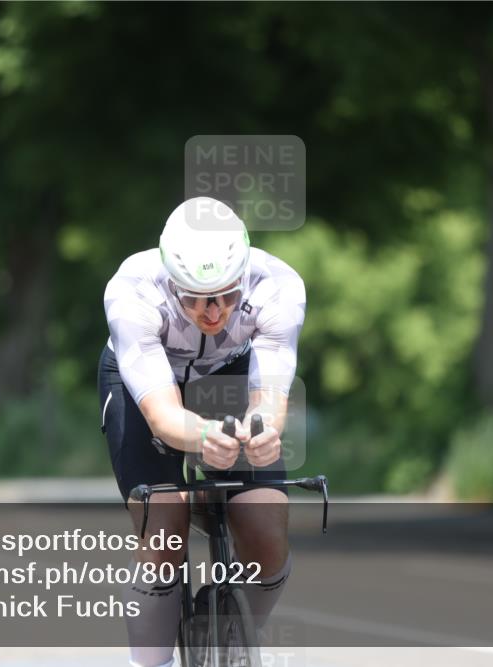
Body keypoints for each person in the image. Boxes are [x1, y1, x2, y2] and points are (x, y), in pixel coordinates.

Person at [98, 197, 306, 667]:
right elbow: (163, 416)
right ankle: (152, 663)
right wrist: (201, 438)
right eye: (193, 298)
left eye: (229, 296)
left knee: (266, 528)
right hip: (146, 384)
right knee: (164, 536)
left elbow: (269, 396)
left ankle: (237, 638)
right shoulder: (131, 290)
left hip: (227, 374)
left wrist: (266, 431)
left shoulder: (279, 286)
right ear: (171, 281)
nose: (213, 313)